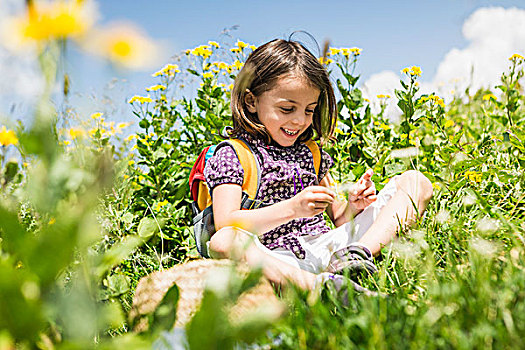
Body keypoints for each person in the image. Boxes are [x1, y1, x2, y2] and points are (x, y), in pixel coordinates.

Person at [204, 38, 433, 297]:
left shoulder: (310, 153)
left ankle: (357, 256)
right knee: (224, 241)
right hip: (276, 259)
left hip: (327, 249)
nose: (300, 120)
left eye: (310, 110)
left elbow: (339, 219)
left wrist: (354, 205)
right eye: (287, 108)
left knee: (416, 182)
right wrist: (292, 208)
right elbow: (225, 221)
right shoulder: (233, 154)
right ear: (251, 102)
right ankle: (322, 289)